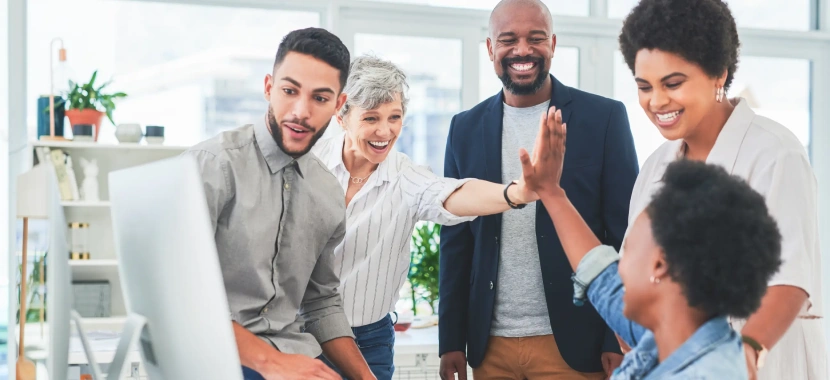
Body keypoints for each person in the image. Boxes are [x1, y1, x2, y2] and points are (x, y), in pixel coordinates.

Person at [617, 0, 827, 378]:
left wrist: (742, 357)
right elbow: (633, 271)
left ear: (718, 74)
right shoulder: (654, 168)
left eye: (673, 83)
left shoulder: (775, 153)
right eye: (644, 86)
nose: (657, 101)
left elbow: (791, 280)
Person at [439, 0, 639, 379]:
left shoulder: (604, 118)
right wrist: (451, 339)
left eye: (536, 38)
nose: (523, 50)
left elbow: (626, 236)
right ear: (489, 48)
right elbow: (456, 241)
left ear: (553, 44)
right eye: (508, 39)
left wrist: (616, 337)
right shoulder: (463, 128)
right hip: (489, 346)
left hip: (576, 343)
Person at [311, 54, 539, 380]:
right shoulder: (309, 164)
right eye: (371, 118)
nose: (385, 131)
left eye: (395, 117)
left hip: (368, 340)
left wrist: (514, 194)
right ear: (341, 115)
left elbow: (451, 194)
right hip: (304, 336)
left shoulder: (405, 177)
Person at [519, 107, 783, 378]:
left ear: (659, 265)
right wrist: (551, 192)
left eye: (629, 250)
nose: (617, 268)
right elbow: (600, 276)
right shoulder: (667, 332)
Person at [184, 28, 375, 380]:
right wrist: (272, 364)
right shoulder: (212, 166)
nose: (301, 111)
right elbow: (180, 297)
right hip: (215, 360)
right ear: (269, 87)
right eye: (289, 91)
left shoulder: (327, 192)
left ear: (337, 105)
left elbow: (320, 303)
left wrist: (367, 378)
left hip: (296, 355)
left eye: (320, 98)